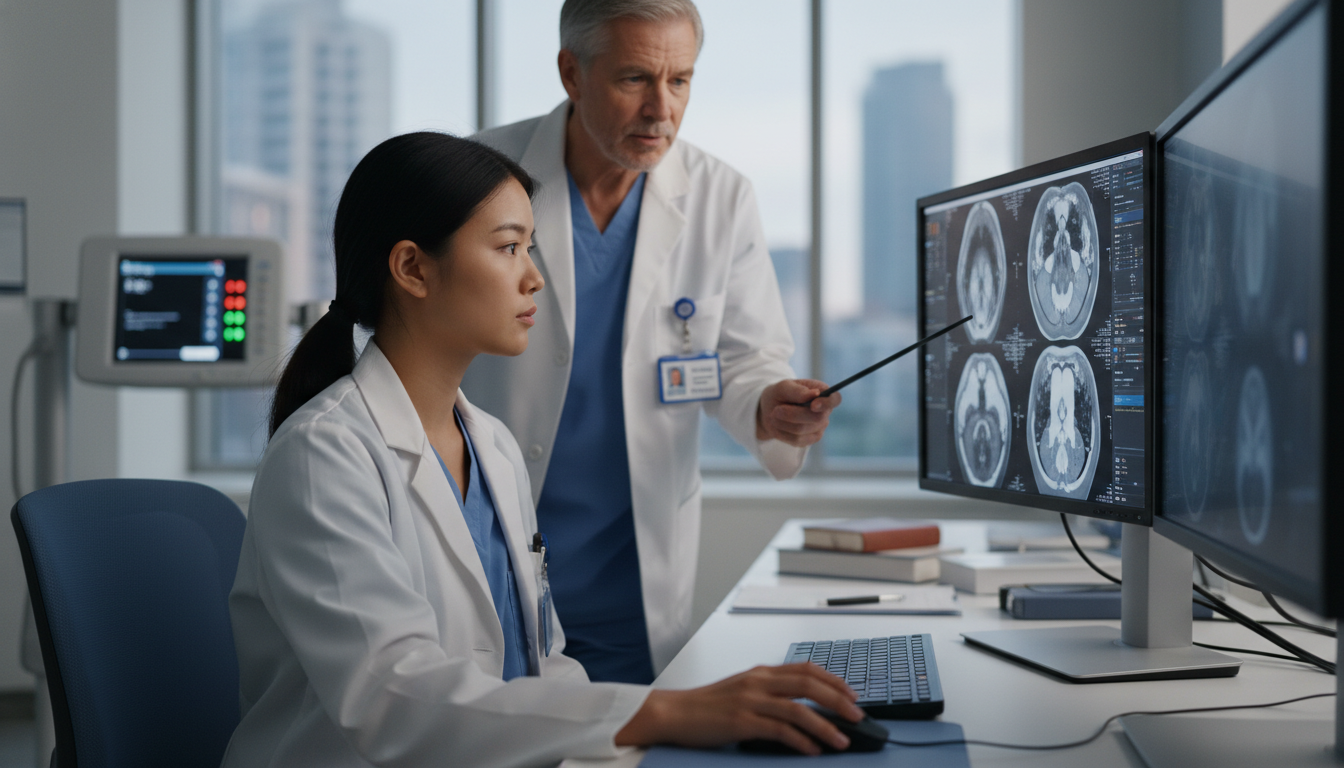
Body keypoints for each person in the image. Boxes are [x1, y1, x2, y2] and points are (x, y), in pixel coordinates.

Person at [220, 132, 864, 767]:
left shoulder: (494, 447)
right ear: (413, 268)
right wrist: (667, 712)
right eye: (509, 248)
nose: (535, 278)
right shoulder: (324, 457)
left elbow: (543, 665)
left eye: (530, 248)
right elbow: (391, 699)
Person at [464, 0, 841, 685]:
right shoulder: (478, 174)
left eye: (680, 81)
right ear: (572, 73)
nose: (661, 110)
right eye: (634, 78)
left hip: (629, 587)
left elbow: (747, 359)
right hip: (487, 558)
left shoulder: (721, 196)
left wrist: (769, 404)